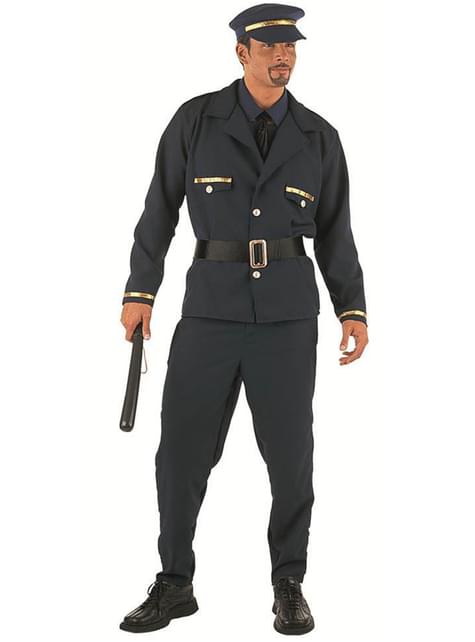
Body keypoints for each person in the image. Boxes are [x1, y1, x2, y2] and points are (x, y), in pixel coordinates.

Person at [119, 2, 369, 635]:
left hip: (287, 319)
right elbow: (159, 211)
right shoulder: (195, 120)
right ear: (242, 53)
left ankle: (289, 583)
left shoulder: (318, 136)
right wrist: (140, 291)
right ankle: (175, 582)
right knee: (180, 453)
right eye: (270, 47)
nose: (283, 56)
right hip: (209, 312)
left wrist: (352, 306)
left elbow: (336, 231)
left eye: (290, 46)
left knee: (290, 459)